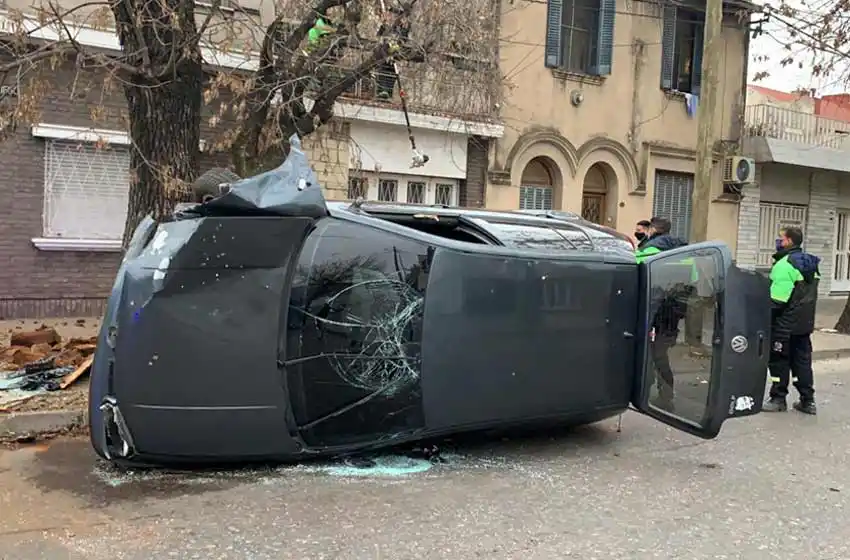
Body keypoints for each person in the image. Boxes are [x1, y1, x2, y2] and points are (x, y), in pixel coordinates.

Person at [763, 226, 821, 415]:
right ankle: (808, 400)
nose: (778, 242)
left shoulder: (784, 264)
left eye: (781, 238)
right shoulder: (811, 264)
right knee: (802, 363)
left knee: (779, 362)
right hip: (804, 325)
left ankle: (778, 398)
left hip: (784, 326)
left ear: (788, 241)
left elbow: (777, 301)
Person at [636, 217, 689, 410]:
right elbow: (692, 284)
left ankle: (644, 394)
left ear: (651, 229)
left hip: (652, 311)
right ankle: (665, 396)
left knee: (647, 354)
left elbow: (637, 278)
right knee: (660, 354)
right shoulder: (686, 252)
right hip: (672, 314)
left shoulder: (649, 249)